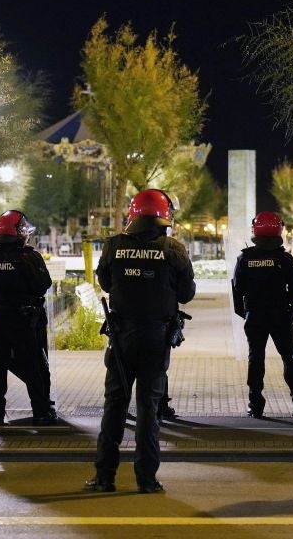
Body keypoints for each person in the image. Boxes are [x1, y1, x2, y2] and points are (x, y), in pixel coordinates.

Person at [85, 189, 195, 494]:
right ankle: (146, 480)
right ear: (164, 217)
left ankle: (104, 477)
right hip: (156, 338)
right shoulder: (173, 248)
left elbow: (106, 283)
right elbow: (186, 293)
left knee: (115, 406)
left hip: (122, 338)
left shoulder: (113, 246)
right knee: (149, 407)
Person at [0, 210, 56, 426]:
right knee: (32, 365)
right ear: (18, 233)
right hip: (25, 321)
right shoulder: (30, 257)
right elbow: (43, 285)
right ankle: (41, 412)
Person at [232, 211, 293, 419]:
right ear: (278, 230)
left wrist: (246, 312)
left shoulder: (244, 258)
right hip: (280, 316)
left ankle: (255, 405)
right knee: (290, 359)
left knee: (256, 359)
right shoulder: (284, 258)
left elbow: (237, 288)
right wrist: (285, 300)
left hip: (255, 316)